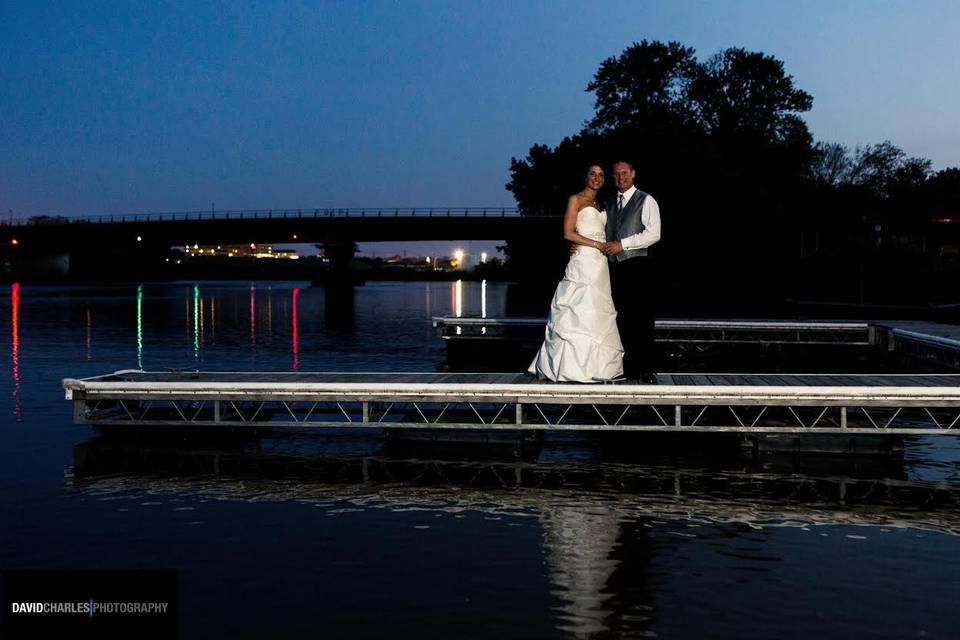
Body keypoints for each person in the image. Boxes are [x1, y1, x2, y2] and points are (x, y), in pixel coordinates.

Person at [528, 165, 624, 382]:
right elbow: (567, 232)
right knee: (578, 307)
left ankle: (599, 368)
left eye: (601, 175)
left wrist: (602, 246)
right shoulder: (576, 200)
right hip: (583, 260)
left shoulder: (603, 205)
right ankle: (570, 367)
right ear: (585, 176)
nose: (597, 178)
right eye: (593, 174)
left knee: (598, 309)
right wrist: (595, 244)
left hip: (600, 264)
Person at [603, 160, 661, 383]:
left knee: (642, 318)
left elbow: (654, 234)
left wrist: (623, 244)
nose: (621, 177)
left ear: (633, 174)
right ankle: (627, 368)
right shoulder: (609, 203)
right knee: (622, 318)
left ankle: (647, 369)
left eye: (624, 173)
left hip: (638, 266)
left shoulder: (646, 200)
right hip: (614, 268)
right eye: (616, 174)